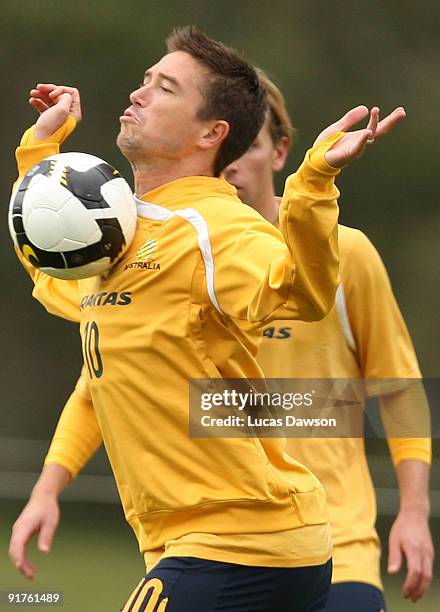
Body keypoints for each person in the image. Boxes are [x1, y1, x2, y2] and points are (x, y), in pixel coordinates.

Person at [9, 27, 405, 611]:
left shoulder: (217, 228)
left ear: (210, 133)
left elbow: (302, 296)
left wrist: (314, 185)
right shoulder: (122, 233)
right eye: (145, 80)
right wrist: (40, 152)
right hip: (190, 543)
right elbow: (50, 275)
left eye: (165, 87)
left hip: (247, 538)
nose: (140, 94)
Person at [223, 70, 433, 611]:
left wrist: (412, 511)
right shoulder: (186, 266)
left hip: (339, 553)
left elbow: (399, 386)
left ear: (280, 151)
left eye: (248, 144)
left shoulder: (348, 253)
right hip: (219, 555)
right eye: (222, 145)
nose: (232, 162)